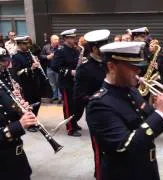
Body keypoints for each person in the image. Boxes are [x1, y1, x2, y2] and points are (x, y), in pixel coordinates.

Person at [86, 41, 163, 180]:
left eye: (139, 66)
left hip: (147, 169)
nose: (138, 71)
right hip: (123, 174)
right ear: (112, 67)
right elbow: (125, 146)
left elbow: (148, 121)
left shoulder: (132, 90)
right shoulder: (99, 104)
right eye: (132, 67)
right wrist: (161, 113)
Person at [73, 29, 110, 177]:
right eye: (103, 47)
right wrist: (98, 98)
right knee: (100, 151)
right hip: (97, 116)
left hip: (114, 112)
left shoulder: (108, 63)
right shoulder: (85, 68)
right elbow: (79, 96)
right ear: (94, 49)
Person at [0, 46, 38, 180]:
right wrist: (18, 126)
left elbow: (6, 116)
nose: (5, 66)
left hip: (17, 158)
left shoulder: (2, 84)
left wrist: (20, 111)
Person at [51, 29, 81, 137]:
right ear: (65, 39)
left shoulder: (76, 50)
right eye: (71, 38)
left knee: (75, 105)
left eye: (74, 37)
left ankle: (74, 123)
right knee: (68, 106)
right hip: (66, 83)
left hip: (75, 82)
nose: (74, 39)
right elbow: (54, 66)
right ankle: (70, 128)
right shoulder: (61, 51)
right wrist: (69, 72)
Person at [11, 36, 43, 132]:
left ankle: (34, 120)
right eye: (25, 44)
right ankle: (29, 124)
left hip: (34, 82)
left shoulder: (29, 54)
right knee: (29, 104)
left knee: (37, 101)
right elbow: (16, 72)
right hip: (25, 84)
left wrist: (37, 65)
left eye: (28, 43)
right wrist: (30, 69)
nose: (28, 45)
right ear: (19, 44)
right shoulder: (16, 57)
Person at [40, 35, 62, 103]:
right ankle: (55, 96)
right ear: (51, 40)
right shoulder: (46, 47)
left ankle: (60, 97)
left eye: (58, 39)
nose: (57, 41)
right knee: (52, 84)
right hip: (49, 68)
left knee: (59, 83)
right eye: (55, 39)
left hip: (58, 69)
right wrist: (47, 57)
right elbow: (41, 56)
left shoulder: (61, 48)